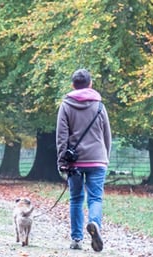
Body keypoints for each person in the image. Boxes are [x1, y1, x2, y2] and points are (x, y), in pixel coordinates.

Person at [55, 68, 112, 252]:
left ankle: (77, 239)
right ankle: (94, 224)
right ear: (90, 84)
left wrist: (62, 160)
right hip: (97, 159)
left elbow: (61, 135)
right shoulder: (100, 106)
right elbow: (107, 135)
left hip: (75, 161)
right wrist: (105, 157)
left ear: (73, 85)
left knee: (76, 199)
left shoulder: (66, 105)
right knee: (95, 198)